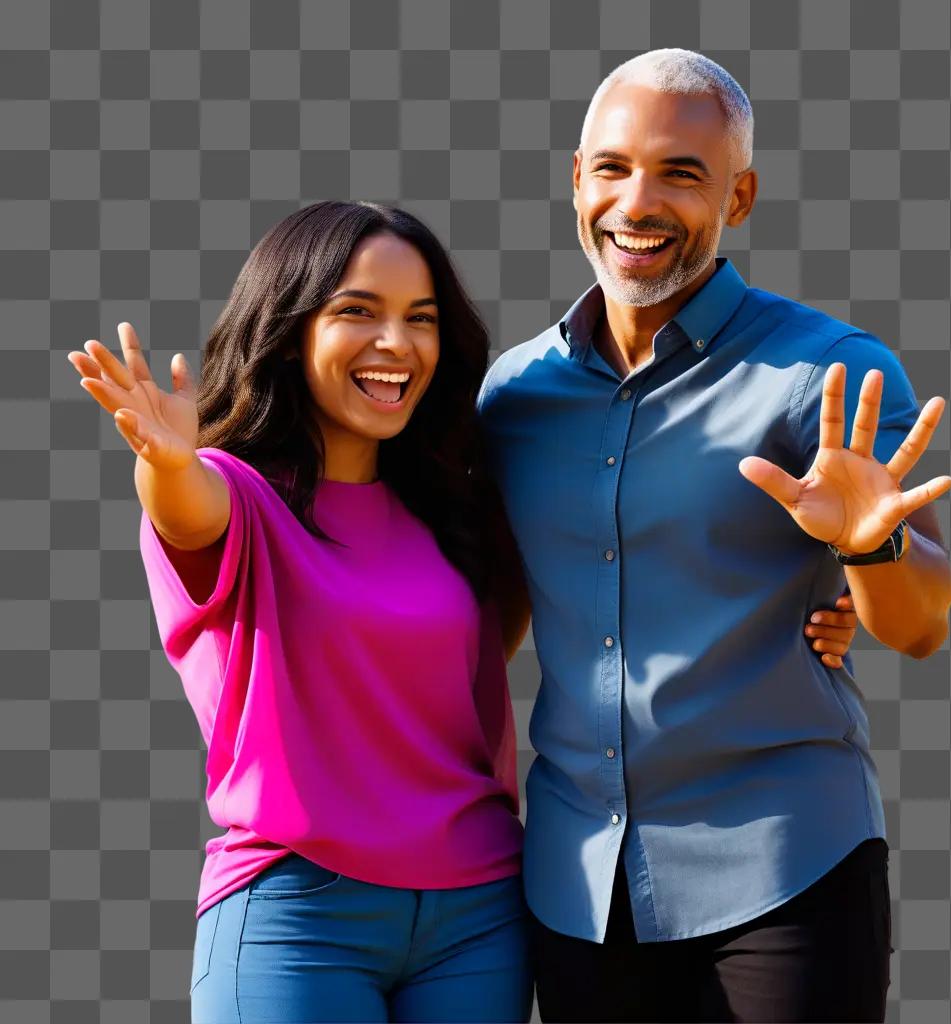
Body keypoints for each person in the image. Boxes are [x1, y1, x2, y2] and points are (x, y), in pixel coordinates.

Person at [67, 200, 858, 1022]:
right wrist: (165, 462)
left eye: (421, 318)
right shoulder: (238, 498)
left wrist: (809, 598)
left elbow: (600, 582)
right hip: (298, 914)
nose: (395, 344)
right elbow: (188, 510)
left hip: (477, 915)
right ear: (288, 326)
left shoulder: (454, 506)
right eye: (357, 312)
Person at [476, 49, 951, 1023]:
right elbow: (497, 619)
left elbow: (918, 626)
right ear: (576, 180)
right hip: (578, 881)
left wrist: (867, 551)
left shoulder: (832, 375)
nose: (636, 201)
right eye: (610, 168)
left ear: (738, 197)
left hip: (785, 864)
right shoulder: (511, 396)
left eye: (680, 174)